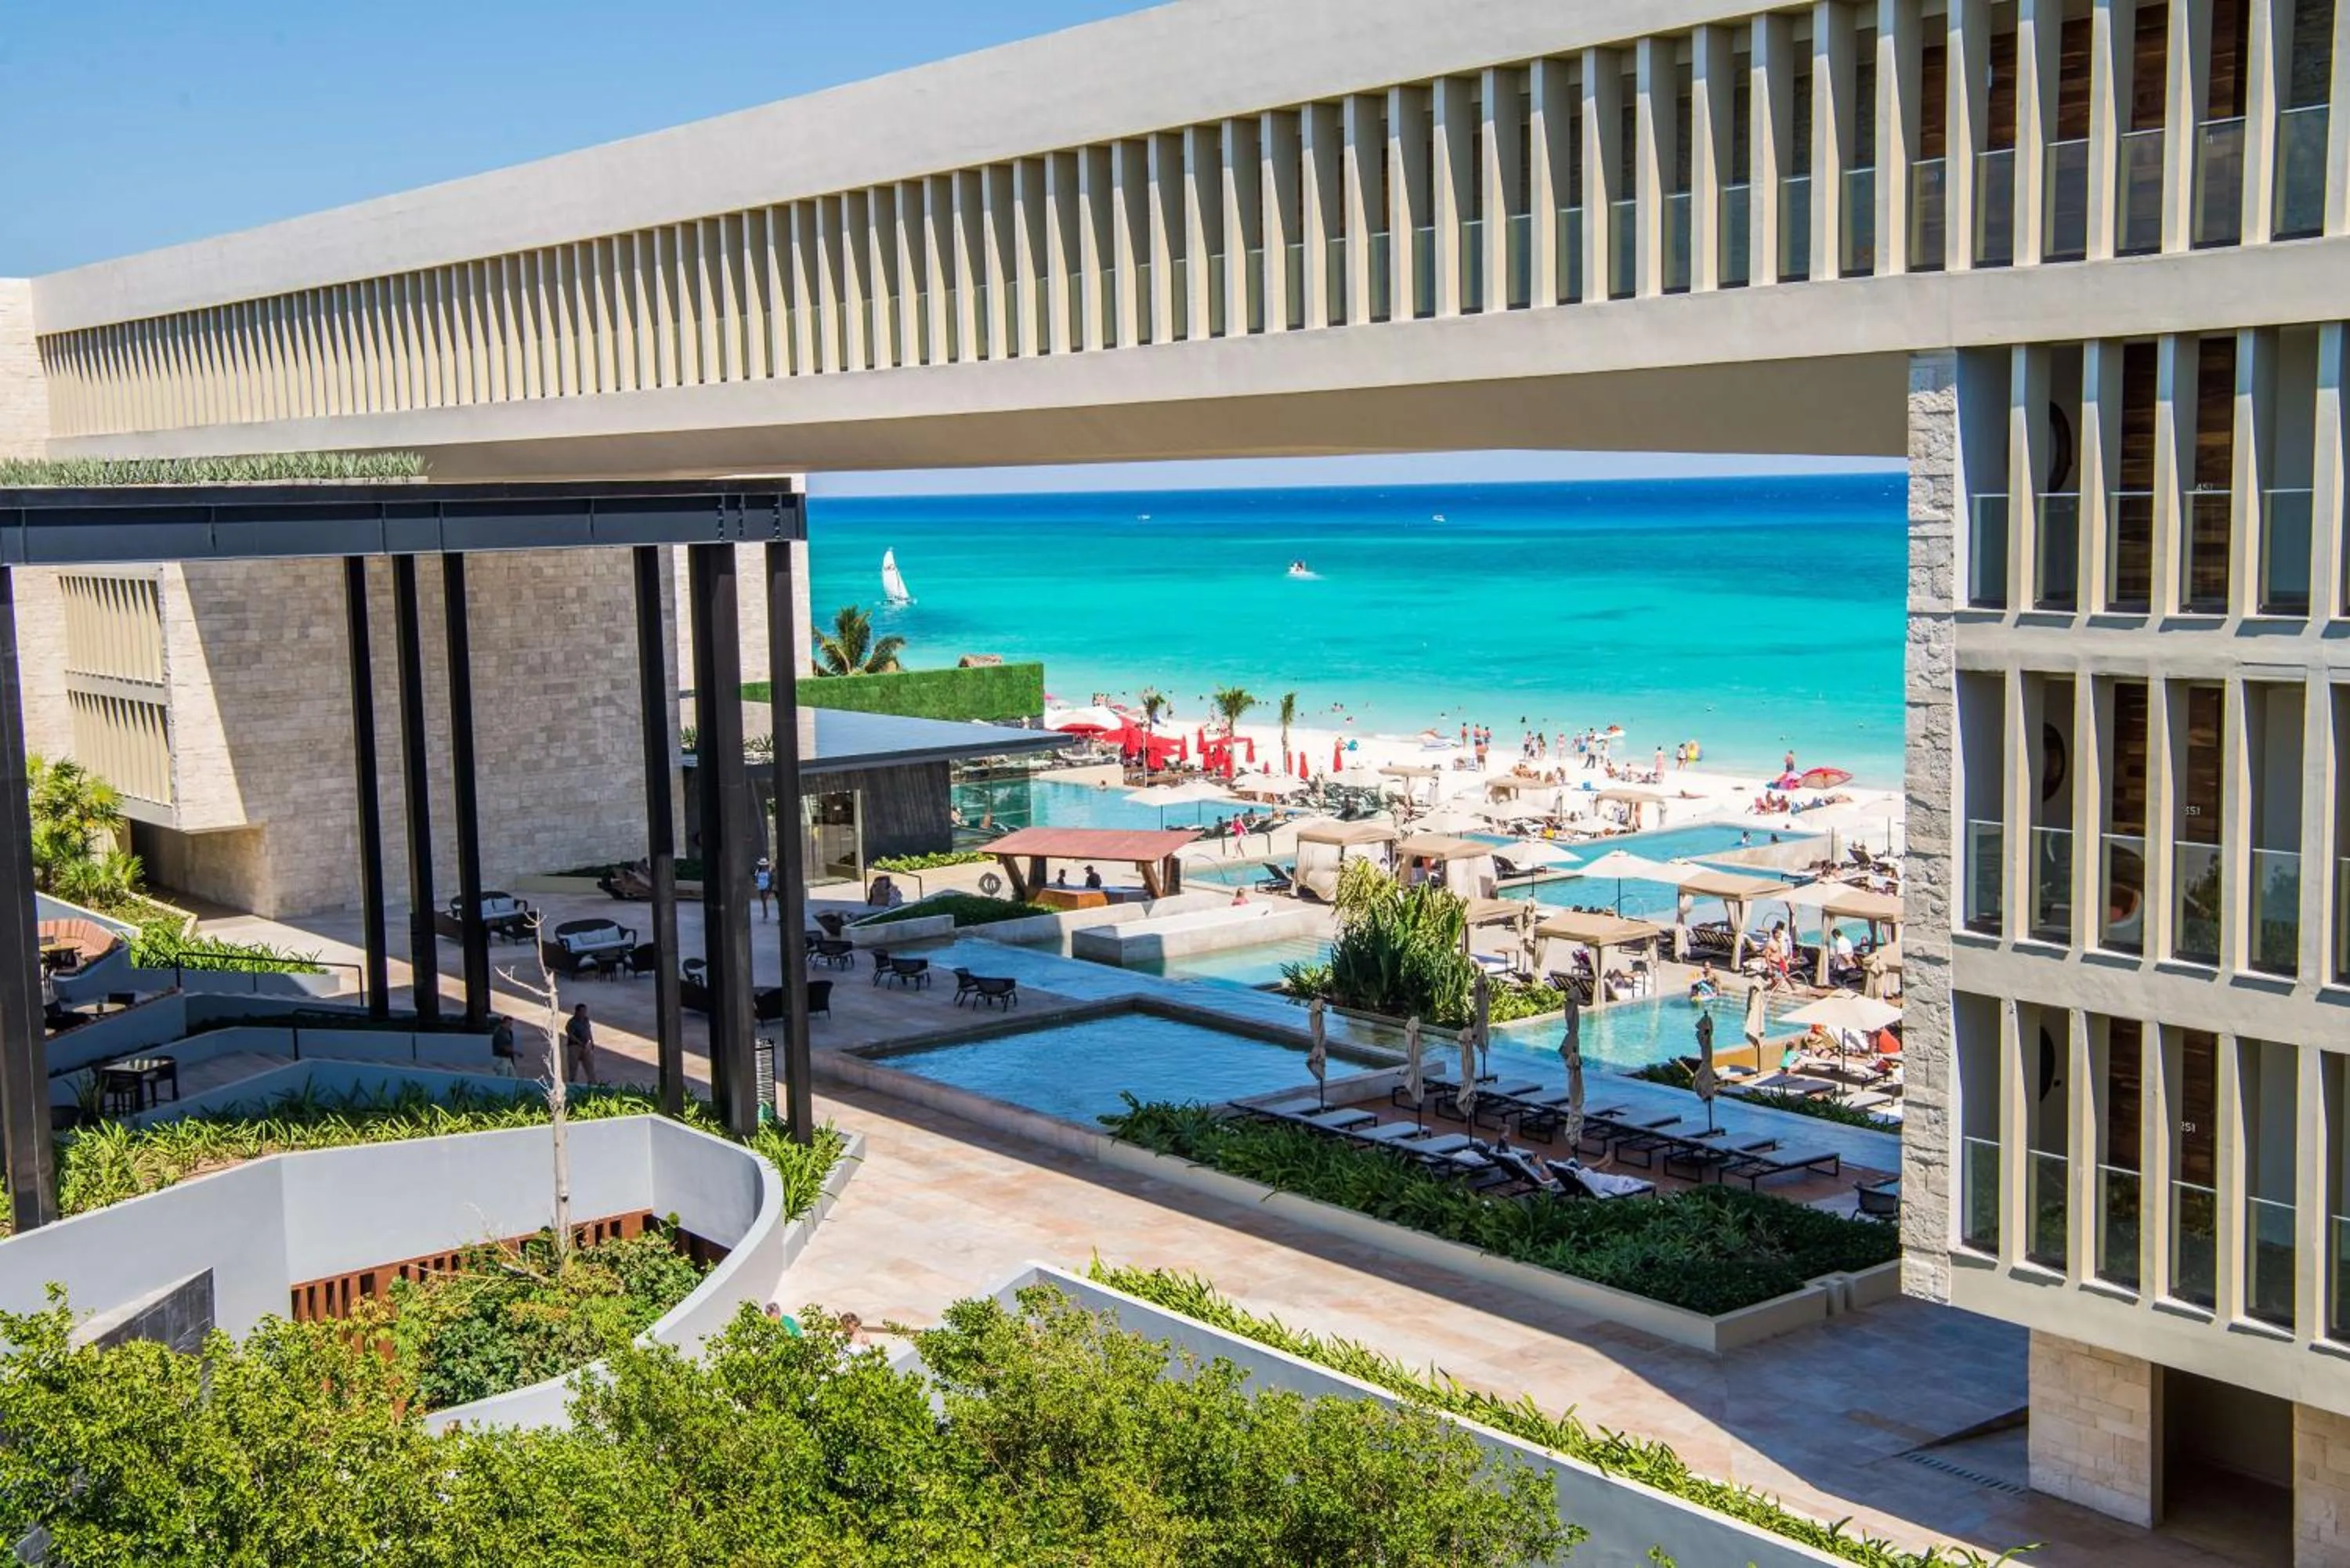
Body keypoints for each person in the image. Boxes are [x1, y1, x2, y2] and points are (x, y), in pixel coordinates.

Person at [563, 1003, 598, 1083]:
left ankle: (592, 1083)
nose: (584, 1013)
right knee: (573, 1068)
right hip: (574, 1046)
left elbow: (588, 1031)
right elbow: (570, 1034)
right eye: (582, 1011)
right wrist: (579, 1042)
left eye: (585, 1011)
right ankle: (572, 1083)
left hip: (585, 1046)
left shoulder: (586, 1020)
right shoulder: (571, 1022)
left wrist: (592, 1042)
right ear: (577, 1012)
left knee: (589, 1066)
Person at [753, 856, 773, 922]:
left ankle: (765, 914)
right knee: (763, 900)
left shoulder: (768, 871)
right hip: (761, 887)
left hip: (766, 887)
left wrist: (770, 887)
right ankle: (765, 913)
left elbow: (770, 879)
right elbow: (755, 878)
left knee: (764, 900)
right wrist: (756, 884)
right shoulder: (758, 871)